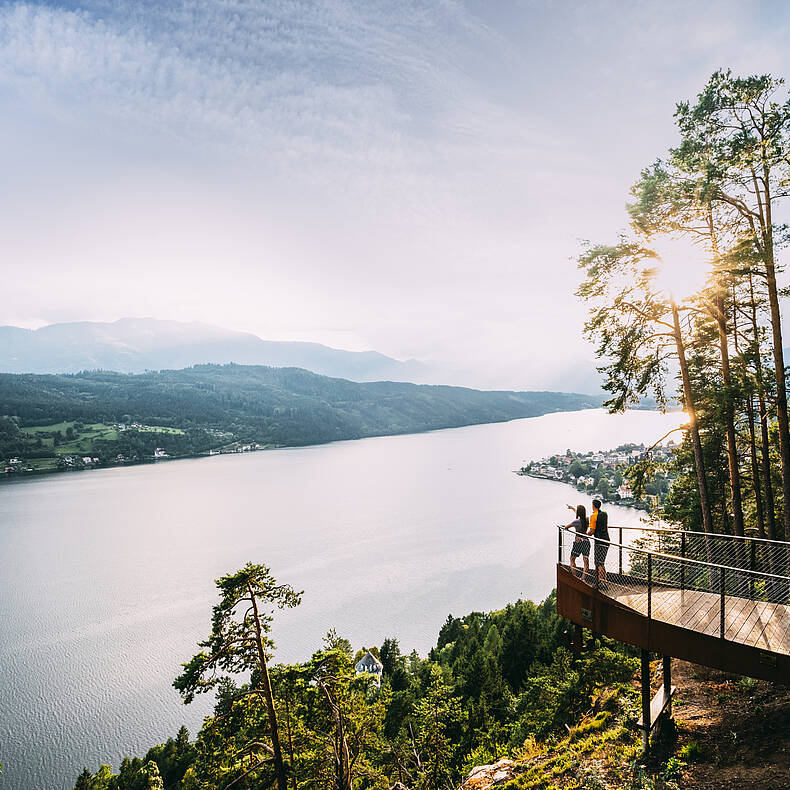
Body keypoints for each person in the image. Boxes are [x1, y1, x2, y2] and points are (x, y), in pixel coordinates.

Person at [564, 504, 589, 577]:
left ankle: (574, 576)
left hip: (578, 542)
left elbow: (566, 527)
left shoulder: (576, 522)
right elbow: (580, 515)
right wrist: (572, 508)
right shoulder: (587, 519)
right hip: (586, 542)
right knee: (586, 562)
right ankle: (583, 578)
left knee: (572, 559)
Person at [588, 498, 610, 583]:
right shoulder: (605, 514)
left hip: (599, 541)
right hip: (606, 539)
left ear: (593, 506)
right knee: (602, 561)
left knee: (598, 563)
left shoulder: (593, 516)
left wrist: (585, 535)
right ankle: (604, 580)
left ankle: (601, 582)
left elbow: (592, 531)